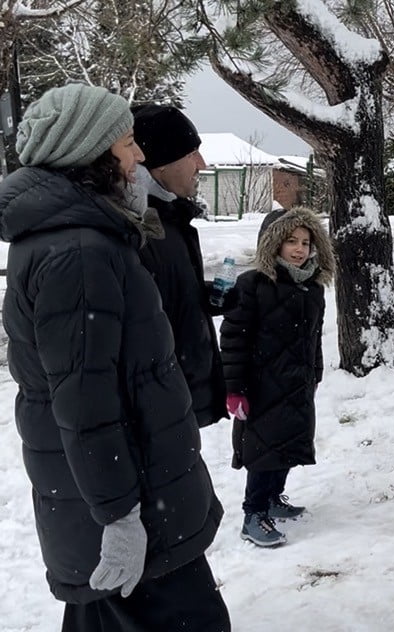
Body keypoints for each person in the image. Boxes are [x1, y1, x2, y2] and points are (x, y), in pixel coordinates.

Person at [0, 84, 228, 630]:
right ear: (91, 154)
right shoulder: (78, 253)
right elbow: (86, 406)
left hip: (125, 496)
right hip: (134, 507)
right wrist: (119, 518)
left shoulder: (82, 236)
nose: (139, 156)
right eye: (128, 144)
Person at [220, 206, 334, 547]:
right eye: (290, 241)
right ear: (273, 244)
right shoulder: (253, 285)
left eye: (305, 242)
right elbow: (234, 338)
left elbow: (313, 335)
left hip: (297, 383)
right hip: (261, 385)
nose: (299, 249)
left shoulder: (312, 288)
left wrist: (315, 370)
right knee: (262, 449)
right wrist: (234, 389)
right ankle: (253, 513)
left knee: (287, 445)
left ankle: (273, 496)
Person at [131, 103, 230, 428]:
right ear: (159, 163)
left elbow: (159, 298)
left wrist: (204, 296)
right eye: (191, 154)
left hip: (178, 404)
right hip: (156, 415)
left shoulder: (169, 219)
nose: (202, 164)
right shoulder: (136, 228)